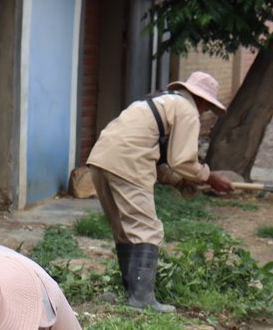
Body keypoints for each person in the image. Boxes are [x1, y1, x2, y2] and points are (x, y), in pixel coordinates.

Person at [86, 71, 236, 314]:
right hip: (129, 162)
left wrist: (181, 182)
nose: (204, 112)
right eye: (207, 107)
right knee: (146, 229)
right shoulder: (187, 110)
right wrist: (210, 177)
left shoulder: (160, 101)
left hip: (101, 159)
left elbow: (160, 161)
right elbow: (182, 160)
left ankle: (132, 292)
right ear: (202, 100)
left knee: (125, 229)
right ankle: (142, 299)